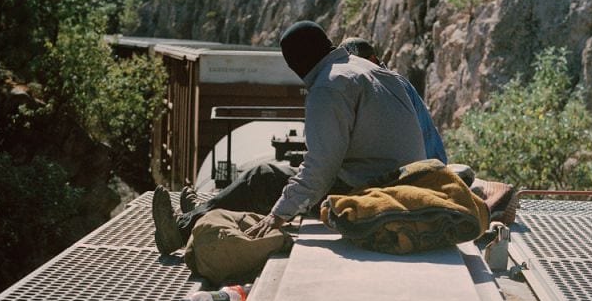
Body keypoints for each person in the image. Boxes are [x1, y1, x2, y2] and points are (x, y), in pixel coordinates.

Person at [152, 21, 427, 255]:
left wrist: (279, 214)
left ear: (298, 63)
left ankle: (180, 231)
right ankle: (203, 212)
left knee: (261, 178)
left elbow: (321, 168)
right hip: (404, 183)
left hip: (371, 192)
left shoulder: (329, 85)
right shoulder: (372, 70)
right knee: (282, 182)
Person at [340, 37, 447, 164]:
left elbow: (425, 134)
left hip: (417, 169)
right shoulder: (369, 87)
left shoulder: (393, 85)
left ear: (372, 60)